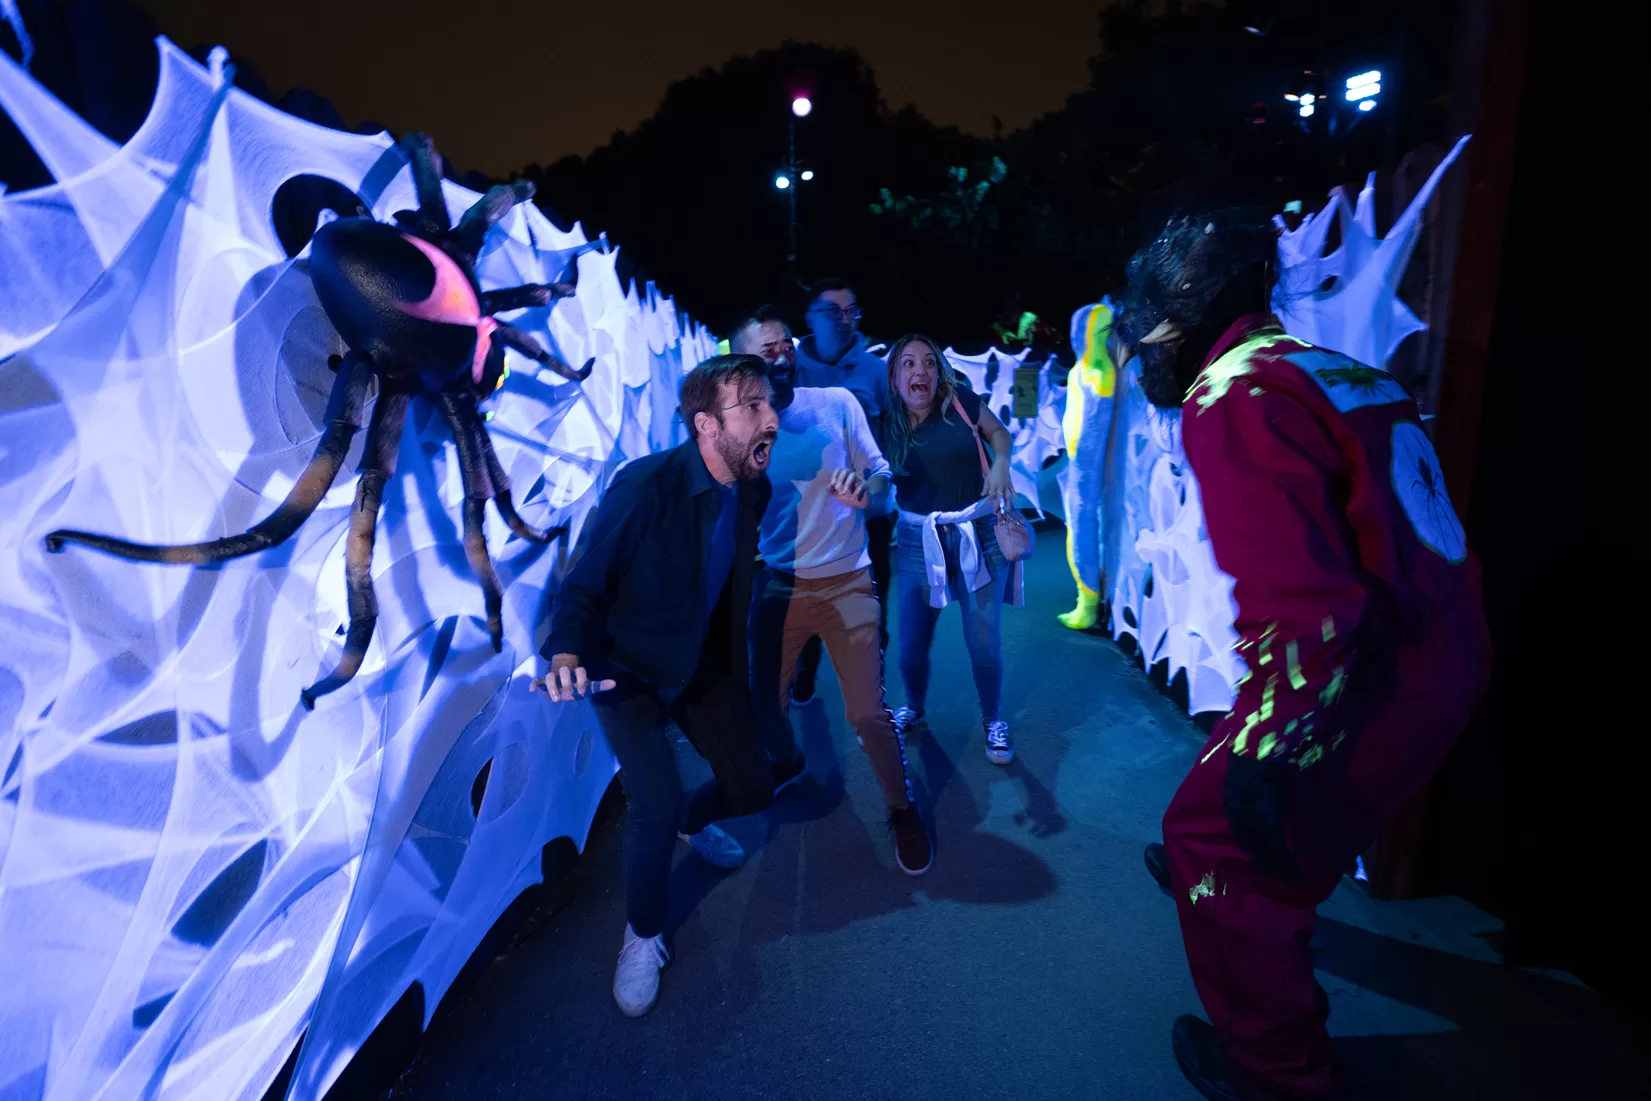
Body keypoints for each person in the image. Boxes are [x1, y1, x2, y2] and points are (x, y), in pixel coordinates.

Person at [1124, 214, 1491, 1100]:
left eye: (1150, 315)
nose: (1139, 340)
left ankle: (1277, 1071)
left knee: (1217, 841)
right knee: (1245, 827)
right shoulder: (1328, 368)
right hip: (1442, 649)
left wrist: (1267, 753)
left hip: (1371, 672)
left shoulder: (1230, 394)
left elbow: (1309, 614)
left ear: (1191, 303)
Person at [538, 354, 781, 1018]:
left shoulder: (753, 485)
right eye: (752, 406)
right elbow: (584, 584)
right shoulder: (645, 485)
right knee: (653, 800)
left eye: (768, 402)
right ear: (706, 423)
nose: (771, 418)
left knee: (753, 786)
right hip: (629, 666)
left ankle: (694, 825)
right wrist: (565, 652)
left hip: (701, 659)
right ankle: (642, 935)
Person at [729, 310, 933, 875]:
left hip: (848, 579)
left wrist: (864, 488)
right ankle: (789, 762)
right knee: (763, 703)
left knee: (868, 714)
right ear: (742, 364)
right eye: (767, 350)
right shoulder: (740, 431)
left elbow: (883, 475)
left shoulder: (837, 403)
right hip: (779, 584)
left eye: (786, 344)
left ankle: (901, 807)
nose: (783, 355)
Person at [880, 333, 1023, 765]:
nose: (919, 370)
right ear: (894, 376)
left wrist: (1000, 463)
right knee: (909, 645)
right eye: (907, 363)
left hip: (977, 534)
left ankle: (993, 719)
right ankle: (914, 708)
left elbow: (998, 433)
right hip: (916, 542)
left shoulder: (959, 397)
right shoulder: (883, 423)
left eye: (927, 362)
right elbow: (872, 476)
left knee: (983, 643)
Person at [792, 277, 896, 705]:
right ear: (810, 318)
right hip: (804, 520)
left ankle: (870, 694)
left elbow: (896, 434)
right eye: (832, 310)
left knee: (869, 610)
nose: (843, 319)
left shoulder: (876, 371)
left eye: (850, 310)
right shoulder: (787, 369)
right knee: (807, 608)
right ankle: (804, 674)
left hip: (866, 517)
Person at [1057, 299, 1120, 631]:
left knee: (1081, 529)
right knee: (1078, 527)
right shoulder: (1083, 369)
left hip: (1086, 466)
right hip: (1079, 462)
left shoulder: (1098, 370)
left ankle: (1088, 603)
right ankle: (1088, 599)